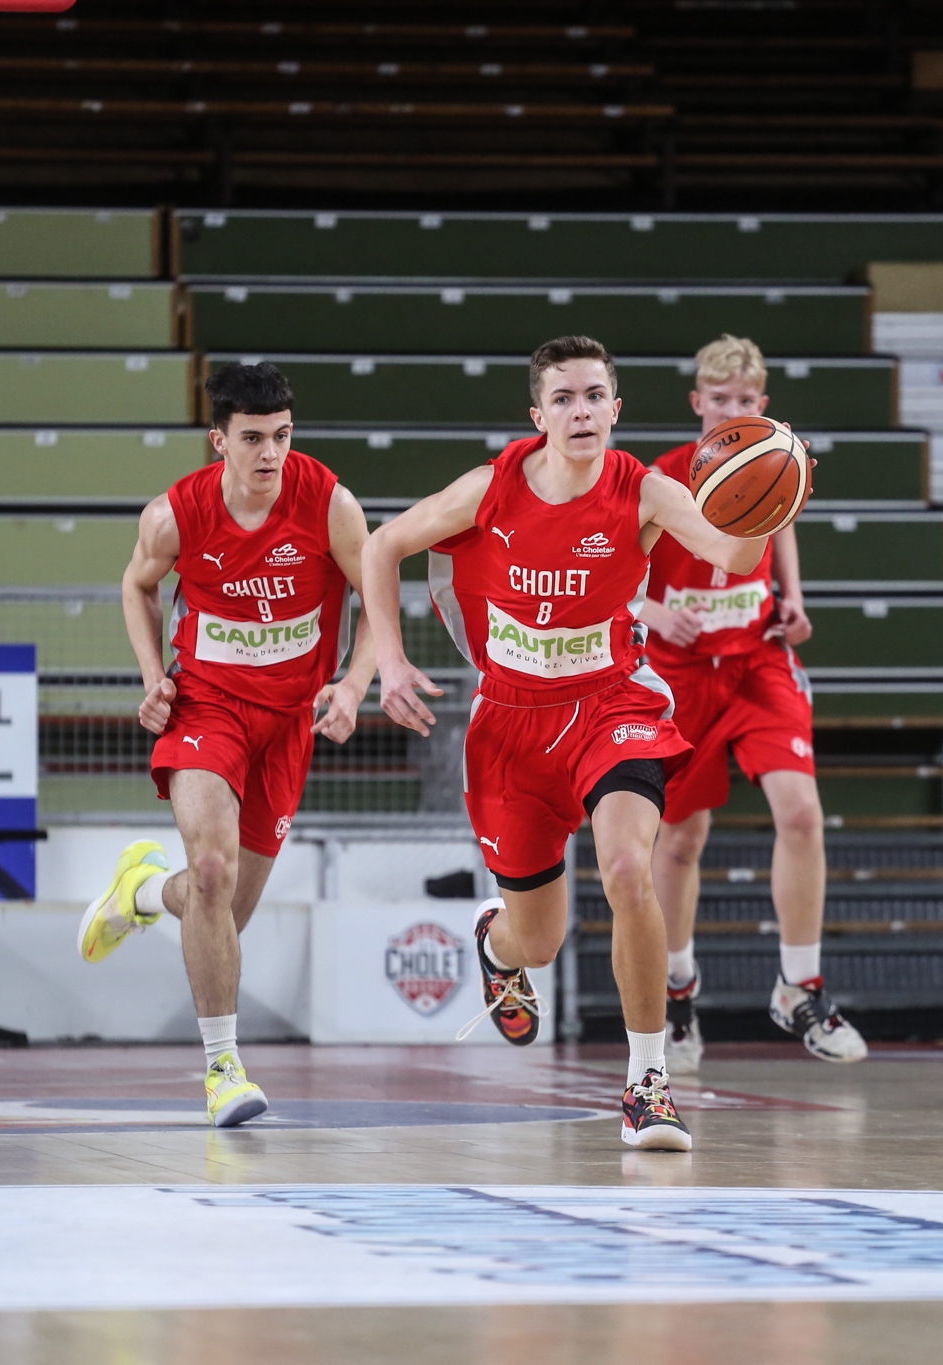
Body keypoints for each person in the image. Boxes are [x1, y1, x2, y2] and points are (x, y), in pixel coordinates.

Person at [357, 335, 775, 1152]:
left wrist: (768, 504)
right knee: (538, 940)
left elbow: (731, 549)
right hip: (511, 722)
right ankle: (497, 943)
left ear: (616, 409)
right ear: (538, 414)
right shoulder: (491, 487)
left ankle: (647, 1082)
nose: (580, 411)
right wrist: (391, 662)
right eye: (564, 398)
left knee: (628, 868)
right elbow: (380, 547)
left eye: (594, 396)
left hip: (612, 703)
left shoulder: (647, 490)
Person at [74, 363, 375, 1128]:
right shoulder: (175, 516)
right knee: (210, 867)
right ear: (220, 441)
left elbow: (377, 600)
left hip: (288, 725)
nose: (269, 454)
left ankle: (140, 893)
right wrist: (152, 676)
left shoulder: (331, 504)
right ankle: (222, 1068)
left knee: (222, 916)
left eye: (280, 436)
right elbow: (135, 585)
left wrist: (353, 682)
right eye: (251, 439)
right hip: (207, 704)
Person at [638, 335, 865, 1073]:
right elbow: (612, 566)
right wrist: (648, 611)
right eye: (719, 399)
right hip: (678, 667)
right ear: (697, 402)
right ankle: (677, 991)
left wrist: (793, 597)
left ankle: (799, 985)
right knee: (680, 840)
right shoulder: (661, 479)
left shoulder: (774, 462)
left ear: (761, 407)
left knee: (802, 811)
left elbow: (781, 518)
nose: (731, 410)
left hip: (758, 656)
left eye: (745, 401)